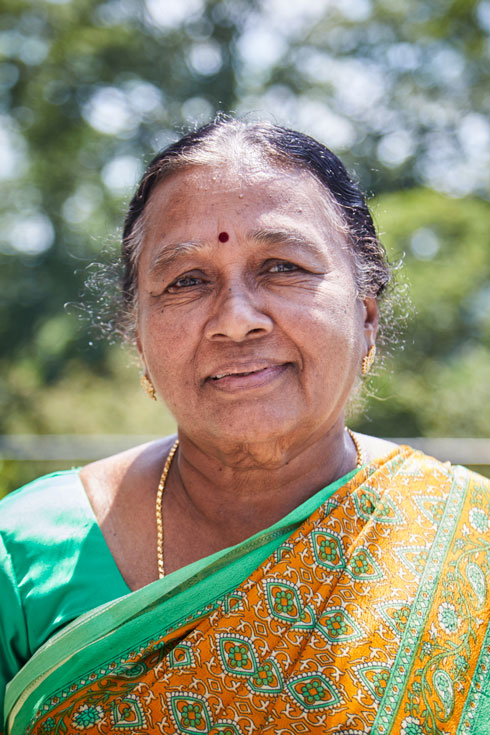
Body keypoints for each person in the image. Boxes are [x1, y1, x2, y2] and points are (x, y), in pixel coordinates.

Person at [1, 117, 489, 735]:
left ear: (365, 317)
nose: (236, 320)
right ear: (138, 338)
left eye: (282, 266)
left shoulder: (473, 548)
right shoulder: (20, 560)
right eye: (187, 280)